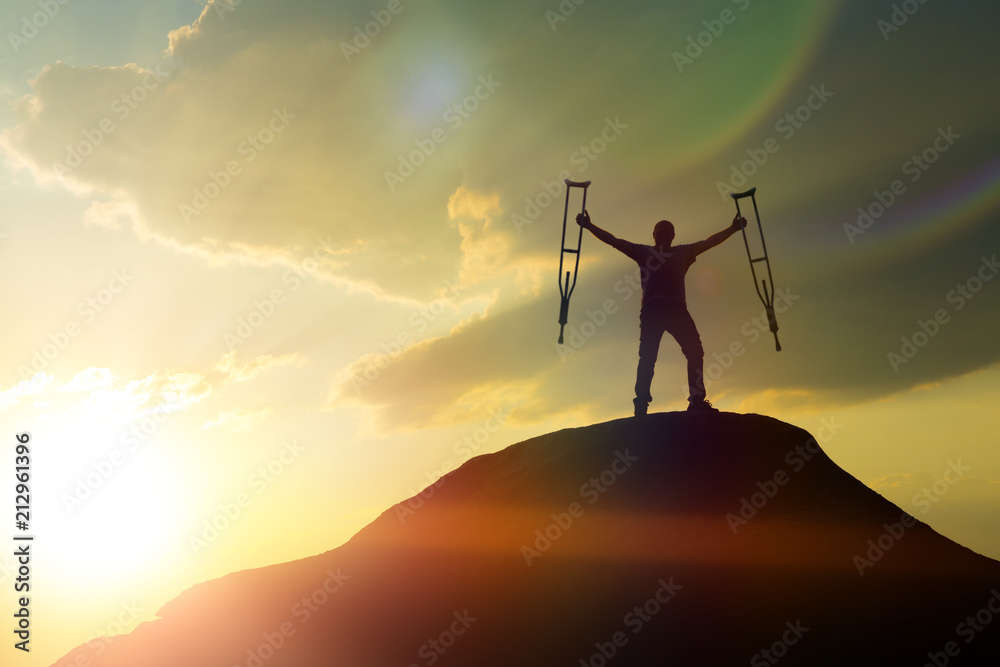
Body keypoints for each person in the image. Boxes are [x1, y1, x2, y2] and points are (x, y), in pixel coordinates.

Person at [575, 210, 747, 416]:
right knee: (648, 357)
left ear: (673, 236)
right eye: (660, 232)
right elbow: (614, 241)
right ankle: (641, 403)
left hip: (677, 311)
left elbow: (709, 242)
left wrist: (733, 229)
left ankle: (697, 400)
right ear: (653, 235)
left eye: (668, 232)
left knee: (695, 352)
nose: (664, 235)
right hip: (652, 312)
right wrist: (589, 226)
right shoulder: (643, 252)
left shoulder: (683, 253)